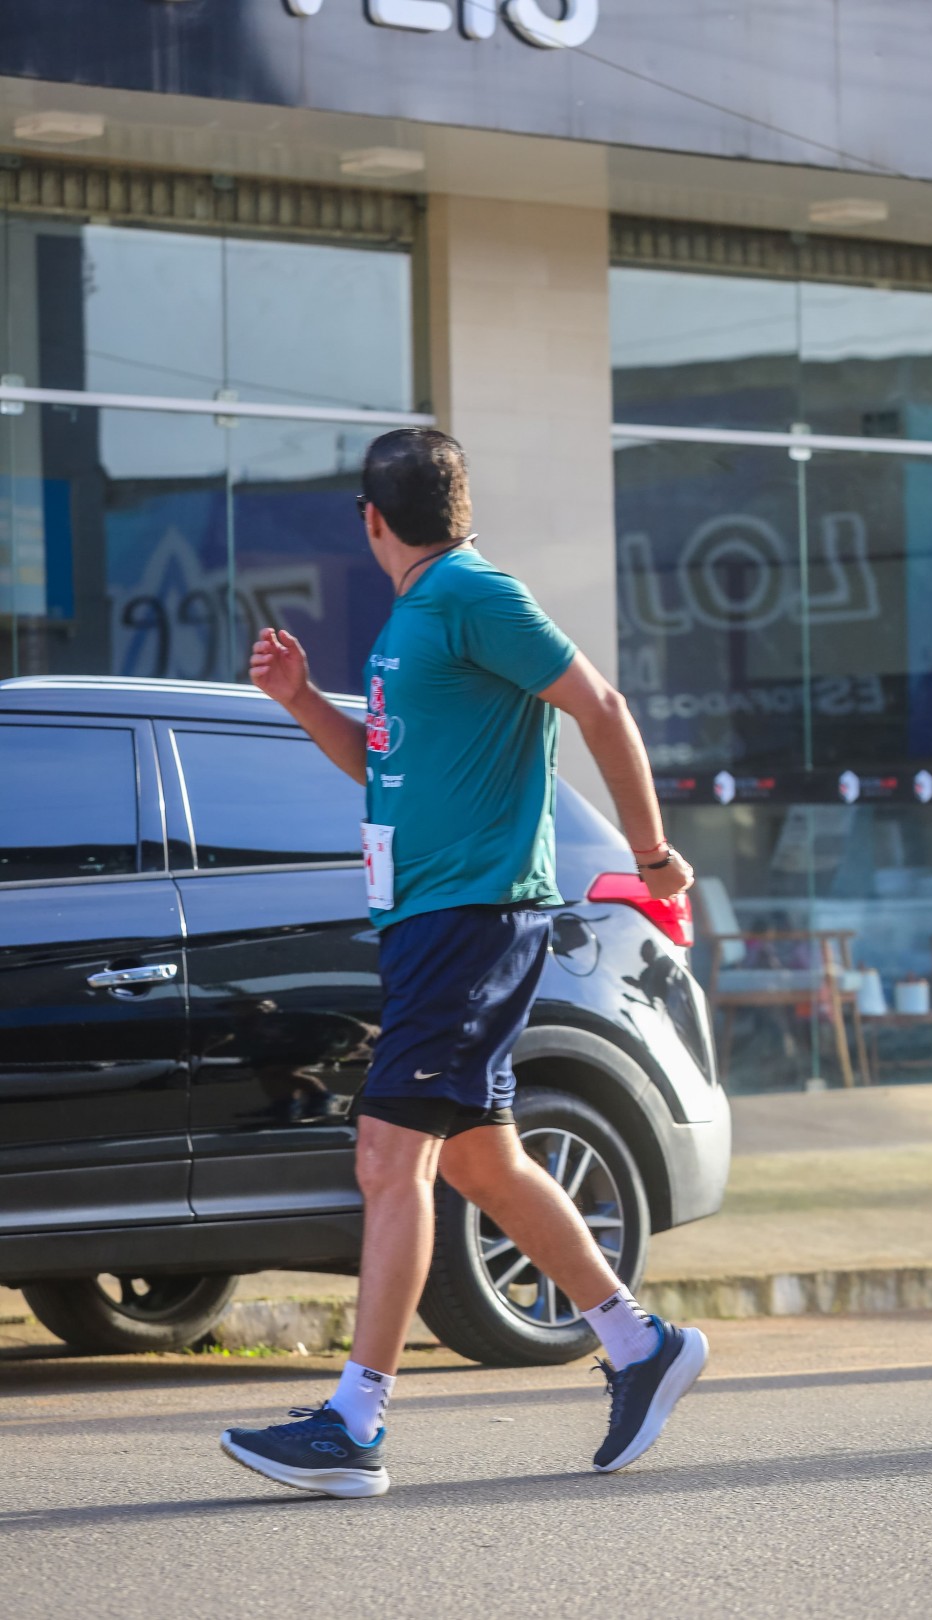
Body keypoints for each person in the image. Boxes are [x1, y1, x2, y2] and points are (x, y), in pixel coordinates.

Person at [220, 428, 706, 1499]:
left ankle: (355, 1424)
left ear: (370, 519)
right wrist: (302, 699)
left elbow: (602, 706)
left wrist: (652, 856)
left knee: (388, 1158)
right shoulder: (417, 617)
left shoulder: (477, 596)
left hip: (473, 922)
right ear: (457, 503)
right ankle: (640, 1346)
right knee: (482, 1164)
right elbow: (386, 773)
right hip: (430, 924)